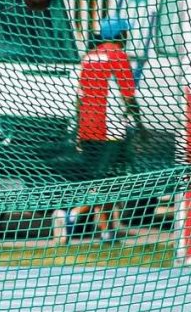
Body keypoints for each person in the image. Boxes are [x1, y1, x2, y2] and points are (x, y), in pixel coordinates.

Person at [55, 17, 145, 243]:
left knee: (100, 179)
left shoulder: (89, 57)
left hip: (88, 128)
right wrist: (140, 125)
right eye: (125, 33)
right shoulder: (118, 56)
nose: (127, 37)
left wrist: (78, 130)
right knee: (107, 182)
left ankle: (107, 231)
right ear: (120, 35)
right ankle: (72, 215)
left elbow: (79, 97)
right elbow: (128, 96)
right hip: (111, 130)